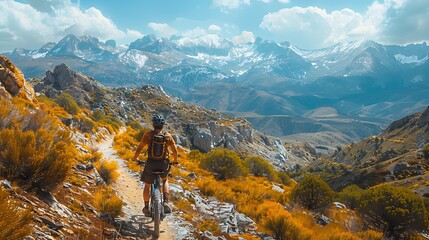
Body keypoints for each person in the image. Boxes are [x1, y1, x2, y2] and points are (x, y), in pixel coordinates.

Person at [132, 114, 178, 216]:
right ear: (162, 125)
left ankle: (146, 207)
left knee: (147, 185)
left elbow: (140, 147)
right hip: (163, 163)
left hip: (151, 163)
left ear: (153, 124)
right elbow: (174, 151)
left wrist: (135, 158)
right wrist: (175, 160)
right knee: (165, 180)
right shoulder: (167, 136)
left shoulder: (148, 135)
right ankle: (166, 202)